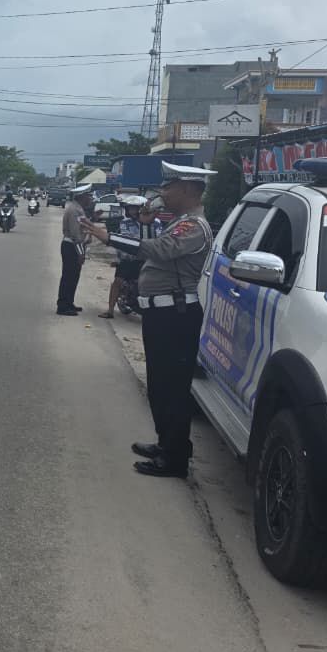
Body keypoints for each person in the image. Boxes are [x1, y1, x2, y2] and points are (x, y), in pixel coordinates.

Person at [82, 161, 217, 478]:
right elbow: (152, 245)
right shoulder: (180, 221)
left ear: (187, 189)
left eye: (168, 187)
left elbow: (158, 250)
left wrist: (109, 238)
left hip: (176, 315)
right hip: (163, 313)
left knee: (172, 386)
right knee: (159, 385)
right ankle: (166, 443)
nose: (163, 194)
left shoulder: (193, 226)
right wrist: (141, 223)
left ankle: (175, 459)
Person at [98, 195, 156, 319]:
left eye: (135, 208)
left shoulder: (155, 222)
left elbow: (159, 238)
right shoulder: (125, 222)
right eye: (130, 208)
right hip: (128, 259)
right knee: (117, 282)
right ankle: (110, 310)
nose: (132, 211)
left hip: (147, 260)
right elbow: (127, 239)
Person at [55, 185, 94, 315]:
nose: (90, 199)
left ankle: (69, 302)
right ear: (82, 197)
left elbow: (83, 227)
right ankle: (63, 306)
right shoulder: (74, 210)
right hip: (71, 246)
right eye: (88, 196)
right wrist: (81, 253)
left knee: (73, 277)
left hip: (74, 246)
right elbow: (75, 234)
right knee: (68, 277)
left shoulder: (78, 209)